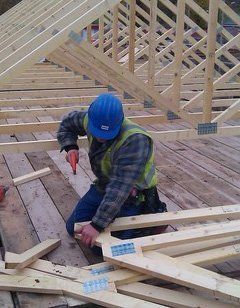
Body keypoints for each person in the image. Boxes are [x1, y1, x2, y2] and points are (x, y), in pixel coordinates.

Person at [57, 93, 167, 249]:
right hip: (104, 184)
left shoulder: (135, 139)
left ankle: (152, 221)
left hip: (132, 193)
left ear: (120, 121)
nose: (101, 138)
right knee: (74, 228)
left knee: (104, 248)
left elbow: (120, 187)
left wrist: (96, 225)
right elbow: (67, 124)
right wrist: (70, 146)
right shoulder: (88, 118)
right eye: (98, 132)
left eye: (107, 134)